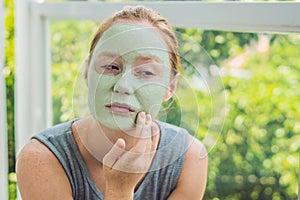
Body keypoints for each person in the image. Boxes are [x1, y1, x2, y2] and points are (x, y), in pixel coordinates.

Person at [16, 5, 208, 200]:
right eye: (111, 66)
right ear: (86, 72)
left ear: (170, 87)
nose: (123, 86)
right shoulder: (40, 158)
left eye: (146, 72)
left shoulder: (189, 157)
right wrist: (119, 189)